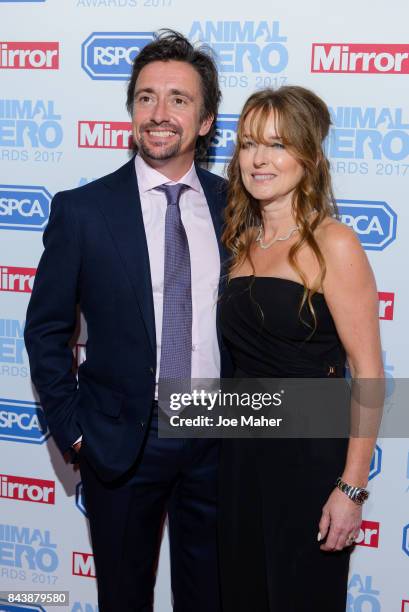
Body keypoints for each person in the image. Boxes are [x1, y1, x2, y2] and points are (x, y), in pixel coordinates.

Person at [24, 30, 231, 612]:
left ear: (207, 120)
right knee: (122, 599)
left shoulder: (237, 207)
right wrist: (75, 432)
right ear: (131, 112)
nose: (159, 114)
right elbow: (45, 333)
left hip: (218, 442)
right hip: (118, 445)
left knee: (212, 597)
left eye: (179, 99)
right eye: (146, 98)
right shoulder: (83, 210)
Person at [218, 86, 384, 612]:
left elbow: (370, 374)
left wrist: (351, 488)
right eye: (248, 144)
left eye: (277, 144)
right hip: (238, 456)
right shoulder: (239, 244)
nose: (259, 158)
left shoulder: (333, 242)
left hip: (308, 462)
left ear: (308, 157)